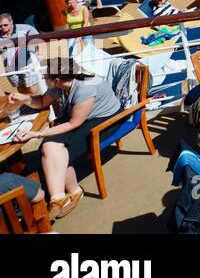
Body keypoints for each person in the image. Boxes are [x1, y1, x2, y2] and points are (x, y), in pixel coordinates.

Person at [5, 56, 123, 220]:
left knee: (62, 149)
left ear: (57, 80)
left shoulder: (85, 89)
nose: (44, 78)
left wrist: (37, 134)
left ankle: (73, 192)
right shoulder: (59, 85)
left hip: (104, 120)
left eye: (46, 76)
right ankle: (58, 198)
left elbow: (73, 124)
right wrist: (24, 98)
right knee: (48, 146)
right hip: (79, 119)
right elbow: (42, 102)